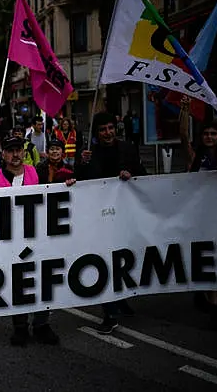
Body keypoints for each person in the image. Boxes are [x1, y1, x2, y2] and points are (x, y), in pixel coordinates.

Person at [0, 136, 69, 346]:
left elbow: (55, 188)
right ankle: (20, 327)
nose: (16, 154)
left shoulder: (36, 172)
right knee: (18, 283)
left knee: (43, 279)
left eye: (19, 150)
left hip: (38, 236)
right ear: (3, 154)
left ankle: (42, 324)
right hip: (11, 239)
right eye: (11, 150)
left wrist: (68, 186)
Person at [77, 112, 146, 334]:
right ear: (96, 134)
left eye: (110, 128)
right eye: (102, 129)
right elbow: (80, 181)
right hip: (99, 217)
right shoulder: (90, 154)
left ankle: (121, 298)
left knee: (122, 258)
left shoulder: (127, 148)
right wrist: (81, 164)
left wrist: (131, 174)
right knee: (103, 260)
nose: (107, 133)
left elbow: (144, 176)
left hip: (124, 215)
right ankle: (110, 312)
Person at [180, 96, 217, 330]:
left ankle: (213, 304)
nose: (209, 137)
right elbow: (182, 137)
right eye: (206, 133)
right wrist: (185, 111)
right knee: (205, 258)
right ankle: (209, 300)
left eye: (214, 134)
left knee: (216, 259)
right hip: (199, 216)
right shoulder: (196, 157)